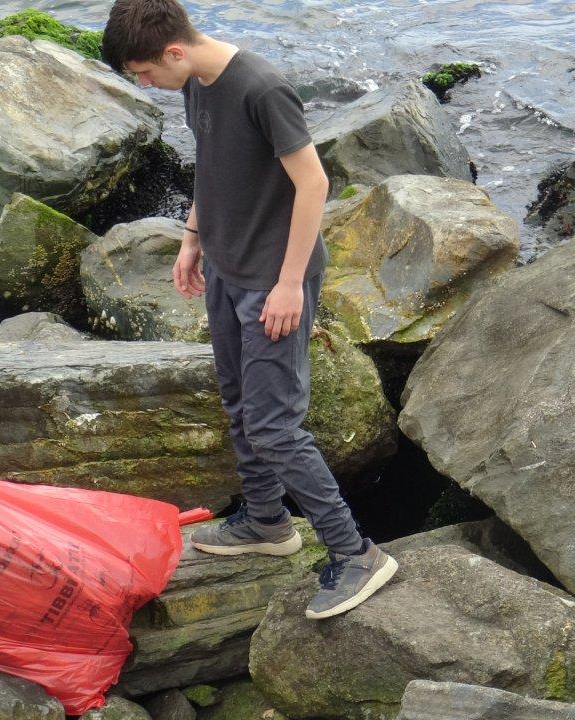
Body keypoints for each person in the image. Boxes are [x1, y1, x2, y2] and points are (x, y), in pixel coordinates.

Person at [101, 0, 397, 620]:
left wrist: (290, 284)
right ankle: (266, 523)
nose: (143, 85)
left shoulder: (262, 87)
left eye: (144, 73)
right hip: (227, 269)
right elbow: (211, 170)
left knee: (274, 425)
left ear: (173, 52)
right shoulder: (198, 86)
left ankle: (357, 553)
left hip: (273, 280)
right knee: (239, 406)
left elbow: (313, 184)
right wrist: (191, 239)